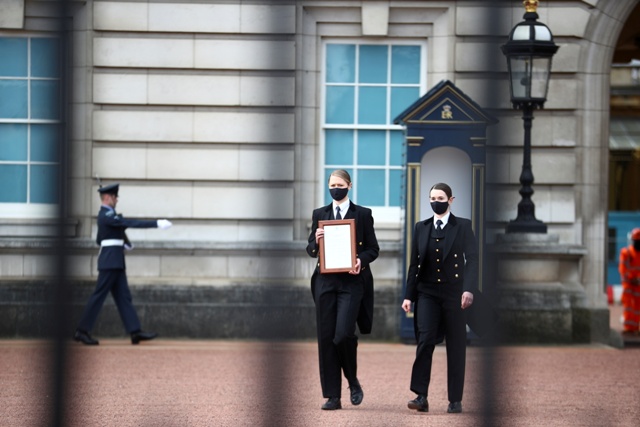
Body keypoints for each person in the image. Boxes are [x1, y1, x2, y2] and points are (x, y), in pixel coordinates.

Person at [401, 182, 478, 414]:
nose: (436, 202)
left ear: (451, 200)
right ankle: (420, 396)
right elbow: (415, 264)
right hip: (427, 293)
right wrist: (409, 295)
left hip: (455, 293)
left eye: (441, 198)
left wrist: (468, 289)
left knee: (456, 345)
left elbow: (472, 259)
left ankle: (455, 400)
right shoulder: (421, 227)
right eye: (433, 198)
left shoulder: (463, 226)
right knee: (425, 341)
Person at [306, 169, 379, 410]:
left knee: (343, 334)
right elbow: (310, 249)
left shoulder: (363, 214)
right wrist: (315, 240)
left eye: (340, 184)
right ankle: (333, 396)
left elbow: (373, 248)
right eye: (332, 184)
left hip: (352, 282)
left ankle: (352, 380)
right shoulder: (320, 214)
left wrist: (361, 260)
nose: (335, 188)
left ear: (349, 185)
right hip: (325, 282)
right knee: (327, 339)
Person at [74, 183, 173, 345]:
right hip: (110, 262)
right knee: (98, 296)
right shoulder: (106, 215)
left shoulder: (109, 216)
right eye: (114, 197)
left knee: (123, 297)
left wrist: (125, 242)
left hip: (115, 261)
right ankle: (81, 331)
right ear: (107, 197)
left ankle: (135, 331)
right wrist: (157, 223)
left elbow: (103, 237)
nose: (116, 200)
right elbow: (128, 223)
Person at [619, 228, 640, 335]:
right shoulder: (626, 253)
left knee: (637, 307)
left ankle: (635, 327)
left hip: (638, 285)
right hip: (628, 284)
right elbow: (623, 269)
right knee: (628, 306)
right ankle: (628, 327)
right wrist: (632, 278)